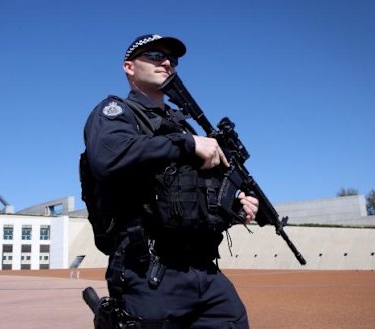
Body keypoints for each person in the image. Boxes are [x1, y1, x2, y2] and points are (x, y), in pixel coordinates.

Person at [83, 34, 259, 328]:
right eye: (153, 55)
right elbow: (107, 156)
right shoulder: (116, 113)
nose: (166, 62)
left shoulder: (181, 125)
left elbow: (199, 191)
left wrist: (235, 205)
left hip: (204, 271)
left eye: (172, 59)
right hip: (151, 272)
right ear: (129, 67)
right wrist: (187, 145)